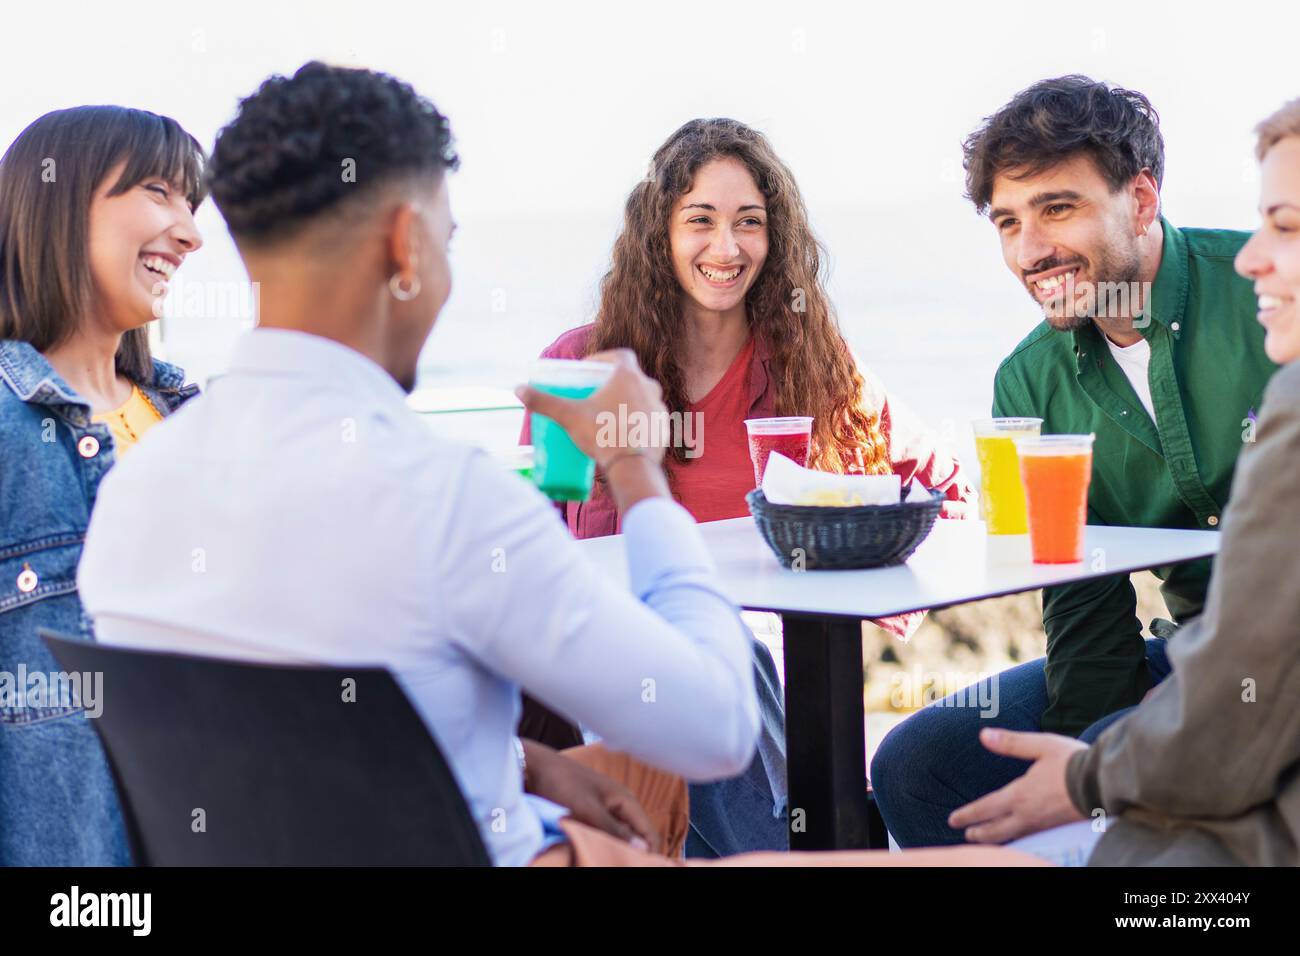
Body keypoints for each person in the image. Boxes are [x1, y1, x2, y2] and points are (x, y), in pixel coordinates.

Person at [77, 61, 1036, 867]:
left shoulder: (132, 497)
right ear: (407, 247)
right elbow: (711, 725)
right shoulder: (445, 497)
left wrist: (526, 767)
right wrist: (638, 476)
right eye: (446, 242)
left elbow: (309, 737)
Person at [518, 117, 975, 856]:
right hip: (624, 677)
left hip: (773, 681)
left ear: (775, 237)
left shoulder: (813, 366)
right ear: (658, 232)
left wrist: (867, 595)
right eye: (700, 221)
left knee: (729, 642)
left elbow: (943, 492)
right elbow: (535, 552)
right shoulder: (584, 366)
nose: (725, 249)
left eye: (749, 224)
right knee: (692, 647)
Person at [872, 75, 1278, 847]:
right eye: (1007, 222)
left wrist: (1109, 765)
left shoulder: (1267, 299)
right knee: (917, 766)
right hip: (1187, 657)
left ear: (1142, 201)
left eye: (1058, 208)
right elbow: (1082, 601)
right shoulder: (1028, 379)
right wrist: (1086, 756)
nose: (1032, 251)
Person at [0, 106, 205, 866]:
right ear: (55, 204)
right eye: (159, 191)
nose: (190, 234)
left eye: (193, 204)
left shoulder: (200, 421)